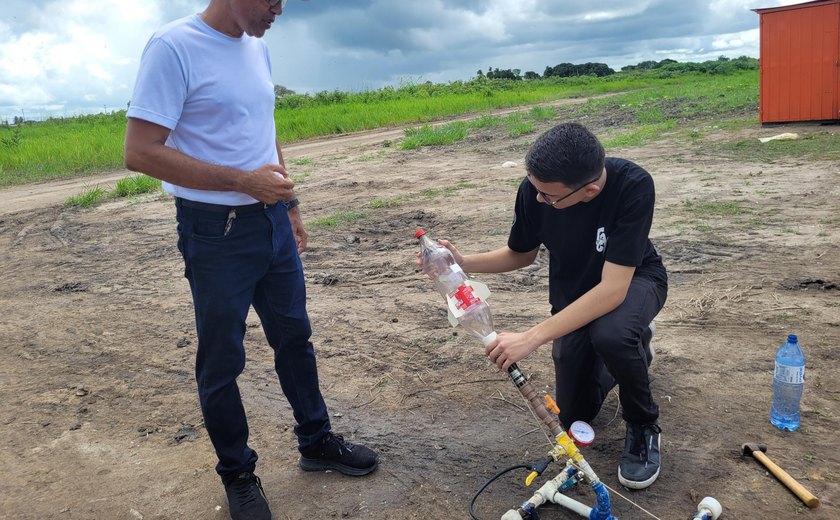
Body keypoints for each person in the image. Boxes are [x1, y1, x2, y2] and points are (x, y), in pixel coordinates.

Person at [123, 1, 378, 518]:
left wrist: (290, 204)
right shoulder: (173, 47)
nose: (278, 10)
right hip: (215, 232)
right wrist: (243, 182)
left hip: (271, 223)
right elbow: (140, 151)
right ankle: (237, 474)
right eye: (271, 0)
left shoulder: (257, 49)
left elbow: (265, 130)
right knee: (222, 360)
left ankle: (315, 440)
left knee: (295, 337)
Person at [439, 122, 667, 490]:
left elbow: (612, 290)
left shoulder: (633, 185)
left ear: (589, 190)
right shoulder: (536, 189)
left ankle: (643, 426)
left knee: (610, 332)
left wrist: (531, 338)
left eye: (548, 196)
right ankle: (634, 349)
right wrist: (463, 263)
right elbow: (521, 254)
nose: (539, 199)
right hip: (574, 294)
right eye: (535, 189)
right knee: (577, 412)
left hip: (634, 282)